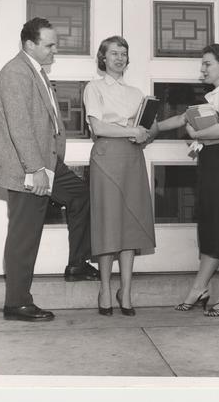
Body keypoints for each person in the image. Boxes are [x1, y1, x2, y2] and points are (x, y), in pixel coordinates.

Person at [0, 17, 99, 322]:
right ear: (30, 44)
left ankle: (77, 263)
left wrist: (49, 164)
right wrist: (35, 169)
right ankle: (16, 303)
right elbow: (20, 127)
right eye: (49, 45)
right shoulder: (15, 73)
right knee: (24, 235)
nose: (55, 50)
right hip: (30, 168)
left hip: (48, 165)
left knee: (81, 196)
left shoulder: (35, 72)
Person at [150, 43, 219, 317]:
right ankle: (200, 288)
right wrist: (152, 128)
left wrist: (195, 135)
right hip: (211, 160)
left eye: (207, 63)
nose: (202, 69)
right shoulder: (214, 95)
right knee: (211, 224)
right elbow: (183, 118)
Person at [84, 35, 155, 316]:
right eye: (113, 53)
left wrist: (145, 133)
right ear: (103, 58)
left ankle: (125, 290)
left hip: (132, 159)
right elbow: (98, 127)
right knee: (108, 223)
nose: (119, 58)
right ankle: (104, 288)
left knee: (130, 225)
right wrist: (131, 130)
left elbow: (145, 129)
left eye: (123, 53)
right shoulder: (94, 87)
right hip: (106, 159)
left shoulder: (137, 93)